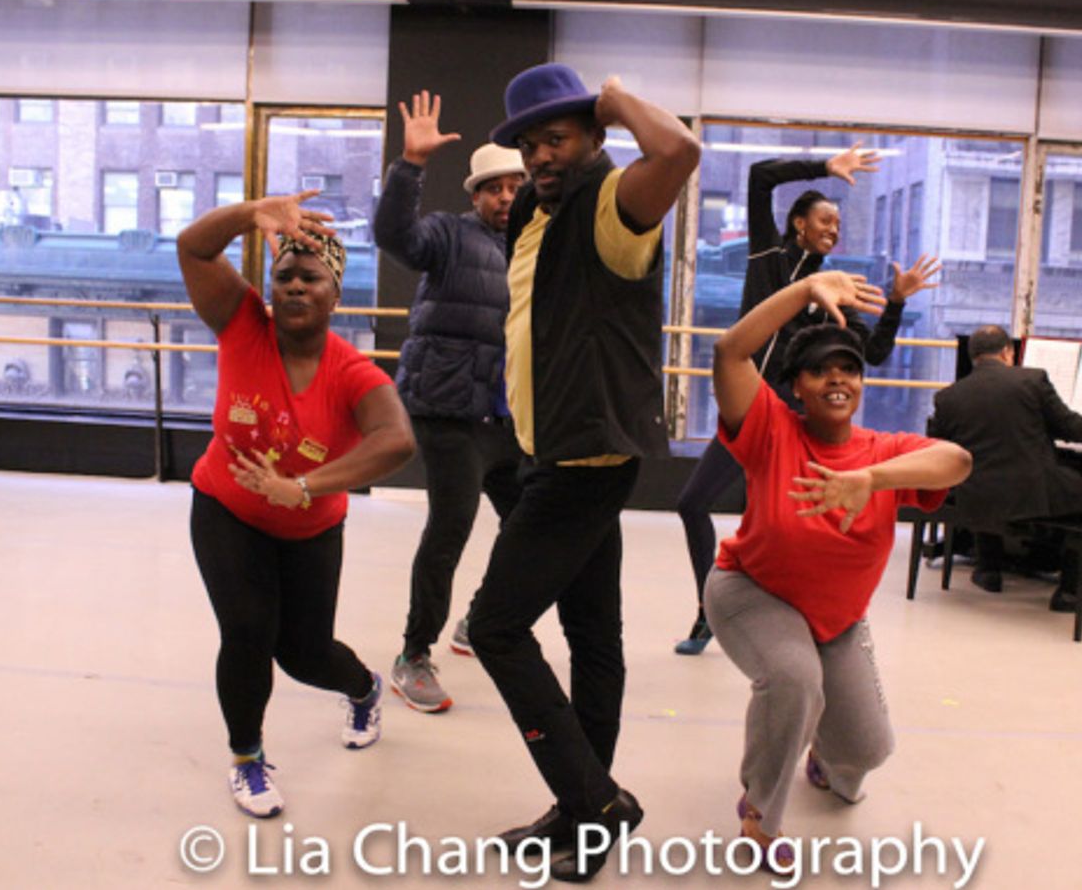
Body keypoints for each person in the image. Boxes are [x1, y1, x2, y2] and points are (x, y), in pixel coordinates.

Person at [465, 62, 700, 882]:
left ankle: (598, 803)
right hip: (552, 451)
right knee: (592, 634)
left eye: (556, 137)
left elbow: (677, 150)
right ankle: (582, 811)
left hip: (587, 458)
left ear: (594, 136)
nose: (539, 156)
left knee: (494, 627)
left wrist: (612, 98)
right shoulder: (535, 206)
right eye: (529, 143)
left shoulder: (612, 199)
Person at [704, 270, 970, 864]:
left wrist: (872, 480)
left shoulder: (883, 452)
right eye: (821, 369)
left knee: (869, 751)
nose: (837, 379)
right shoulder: (771, 429)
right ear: (797, 386)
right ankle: (760, 817)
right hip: (752, 592)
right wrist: (804, 291)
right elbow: (730, 350)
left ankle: (822, 758)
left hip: (838, 620)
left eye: (848, 368)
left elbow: (956, 461)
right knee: (794, 680)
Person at [177, 191, 416, 819]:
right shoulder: (239, 323)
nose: (295, 287)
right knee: (248, 631)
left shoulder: (352, 372)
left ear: (335, 296)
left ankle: (362, 689)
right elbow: (193, 247)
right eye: (284, 276)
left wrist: (304, 486)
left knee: (306, 653)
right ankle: (247, 759)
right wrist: (250, 212)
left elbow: (397, 440)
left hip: (310, 527)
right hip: (226, 508)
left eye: (311, 278)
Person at [674, 151, 942, 655]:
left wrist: (898, 301)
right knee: (692, 503)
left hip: (795, 422)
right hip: (753, 411)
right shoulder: (767, 257)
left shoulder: (836, 289)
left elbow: (874, 354)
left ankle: (781, 620)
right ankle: (708, 613)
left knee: (774, 525)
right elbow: (758, 177)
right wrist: (824, 166)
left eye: (839, 223)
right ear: (798, 223)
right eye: (825, 219)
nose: (834, 229)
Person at [374, 91, 526, 713]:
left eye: (517, 187)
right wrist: (410, 165)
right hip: (449, 413)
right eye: (495, 189)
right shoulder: (446, 235)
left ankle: (479, 619)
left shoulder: (530, 249)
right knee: (451, 530)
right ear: (476, 195)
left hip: (507, 419)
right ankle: (413, 654)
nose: (506, 198)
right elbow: (394, 235)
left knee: (531, 527)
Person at [929, 324, 1082, 611]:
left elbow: (937, 445)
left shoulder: (949, 397)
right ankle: (1070, 592)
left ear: (973, 356)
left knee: (986, 472)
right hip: (1028, 491)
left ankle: (988, 569)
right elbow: (1075, 429)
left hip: (976, 493)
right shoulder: (1032, 380)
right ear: (1008, 353)